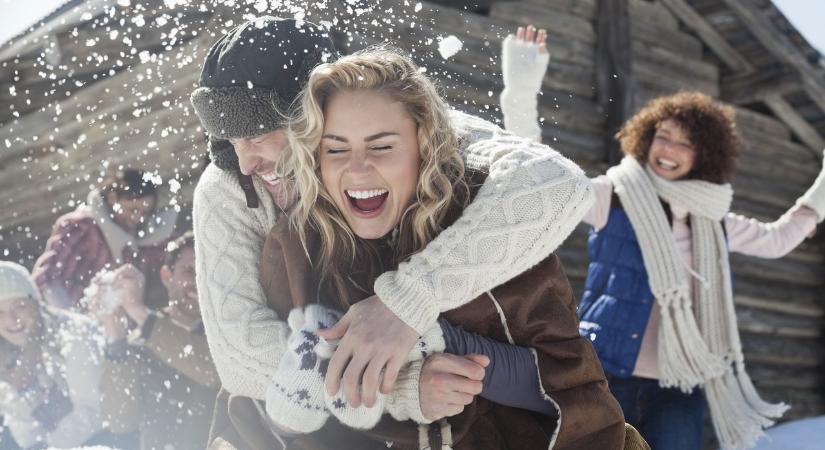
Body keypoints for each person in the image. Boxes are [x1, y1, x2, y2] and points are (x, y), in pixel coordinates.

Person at [189, 15, 595, 423]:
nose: (244, 163)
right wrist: (394, 385)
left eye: (258, 137)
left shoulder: (411, 131)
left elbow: (559, 185)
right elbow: (239, 355)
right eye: (230, 141)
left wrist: (404, 303)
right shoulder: (227, 189)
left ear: (317, 115)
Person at [249, 46, 632, 450]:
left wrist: (432, 337)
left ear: (422, 146)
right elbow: (260, 419)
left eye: (382, 146)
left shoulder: (490, 220)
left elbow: (575, 385)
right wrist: (303, 399)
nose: (357, 168)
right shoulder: (296, 248)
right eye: (336, 148)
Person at [500, 26, 825, 450]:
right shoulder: (613, 198)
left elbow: (779, 238)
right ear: (646, 137)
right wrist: (521, 91)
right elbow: (544, 181)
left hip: (680, 384)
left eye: (684, 144)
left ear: (704, 155)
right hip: (604, 370)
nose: (668, 150)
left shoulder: (713, 221)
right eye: (663, 137)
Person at [90, 232, 219, 450]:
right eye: (189, 271)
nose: (199, 281)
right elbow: (120, 422)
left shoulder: (226, 331)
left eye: (208, 271)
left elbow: (215, 373)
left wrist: (138, 311)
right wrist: (115, 336)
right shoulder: (140, 339)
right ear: (167, 277)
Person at [31, 167, 177, 311]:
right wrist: (74, 321)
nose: (138, 218)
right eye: (132, 209)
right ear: (113, 198)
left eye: (145, 212)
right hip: (76, 316)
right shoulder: (81, 227)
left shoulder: (152, 238)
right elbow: (47, 279)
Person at [0, 261, 106, 448]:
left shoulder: (75, 335)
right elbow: (22, 424)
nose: (11, 320)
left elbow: (95, 411)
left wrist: (49, 447)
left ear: (36, 302)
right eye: (0, 312)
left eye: (20, 306)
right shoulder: (6, 351)